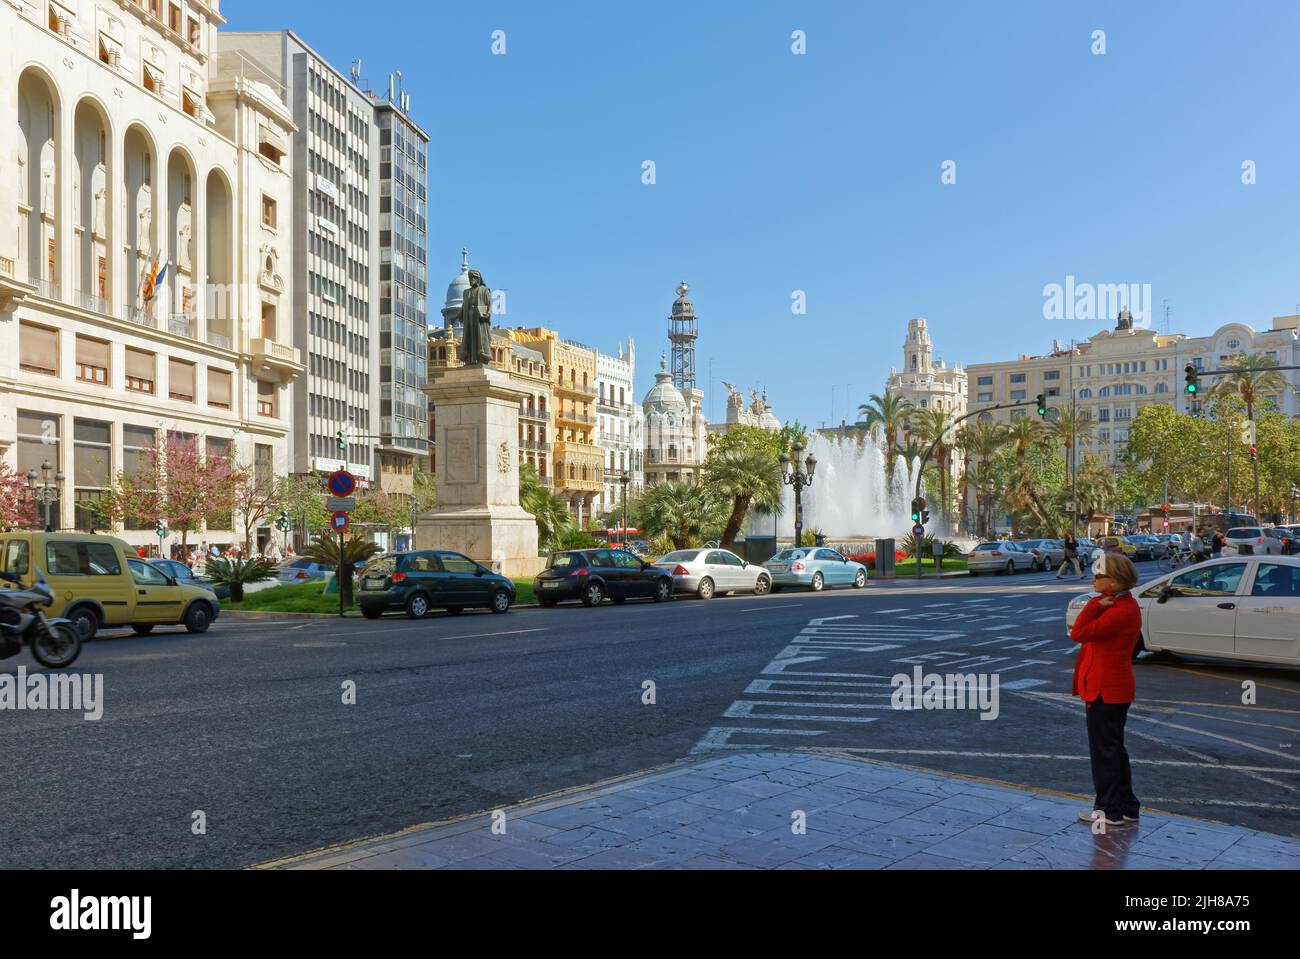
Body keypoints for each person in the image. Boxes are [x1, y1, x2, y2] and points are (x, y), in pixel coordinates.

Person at [1071, 551, 1142, 829]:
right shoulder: (1125, 606)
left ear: (1113, 582)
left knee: (1104, 754)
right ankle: (1127, 807)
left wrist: (1094, 605)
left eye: (1099, 576)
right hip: (1111, 688)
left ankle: (1108, 811)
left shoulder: (1118, 611)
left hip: (1105, 690)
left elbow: (1078, 632)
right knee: (1114, 750)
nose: (1094, 580)